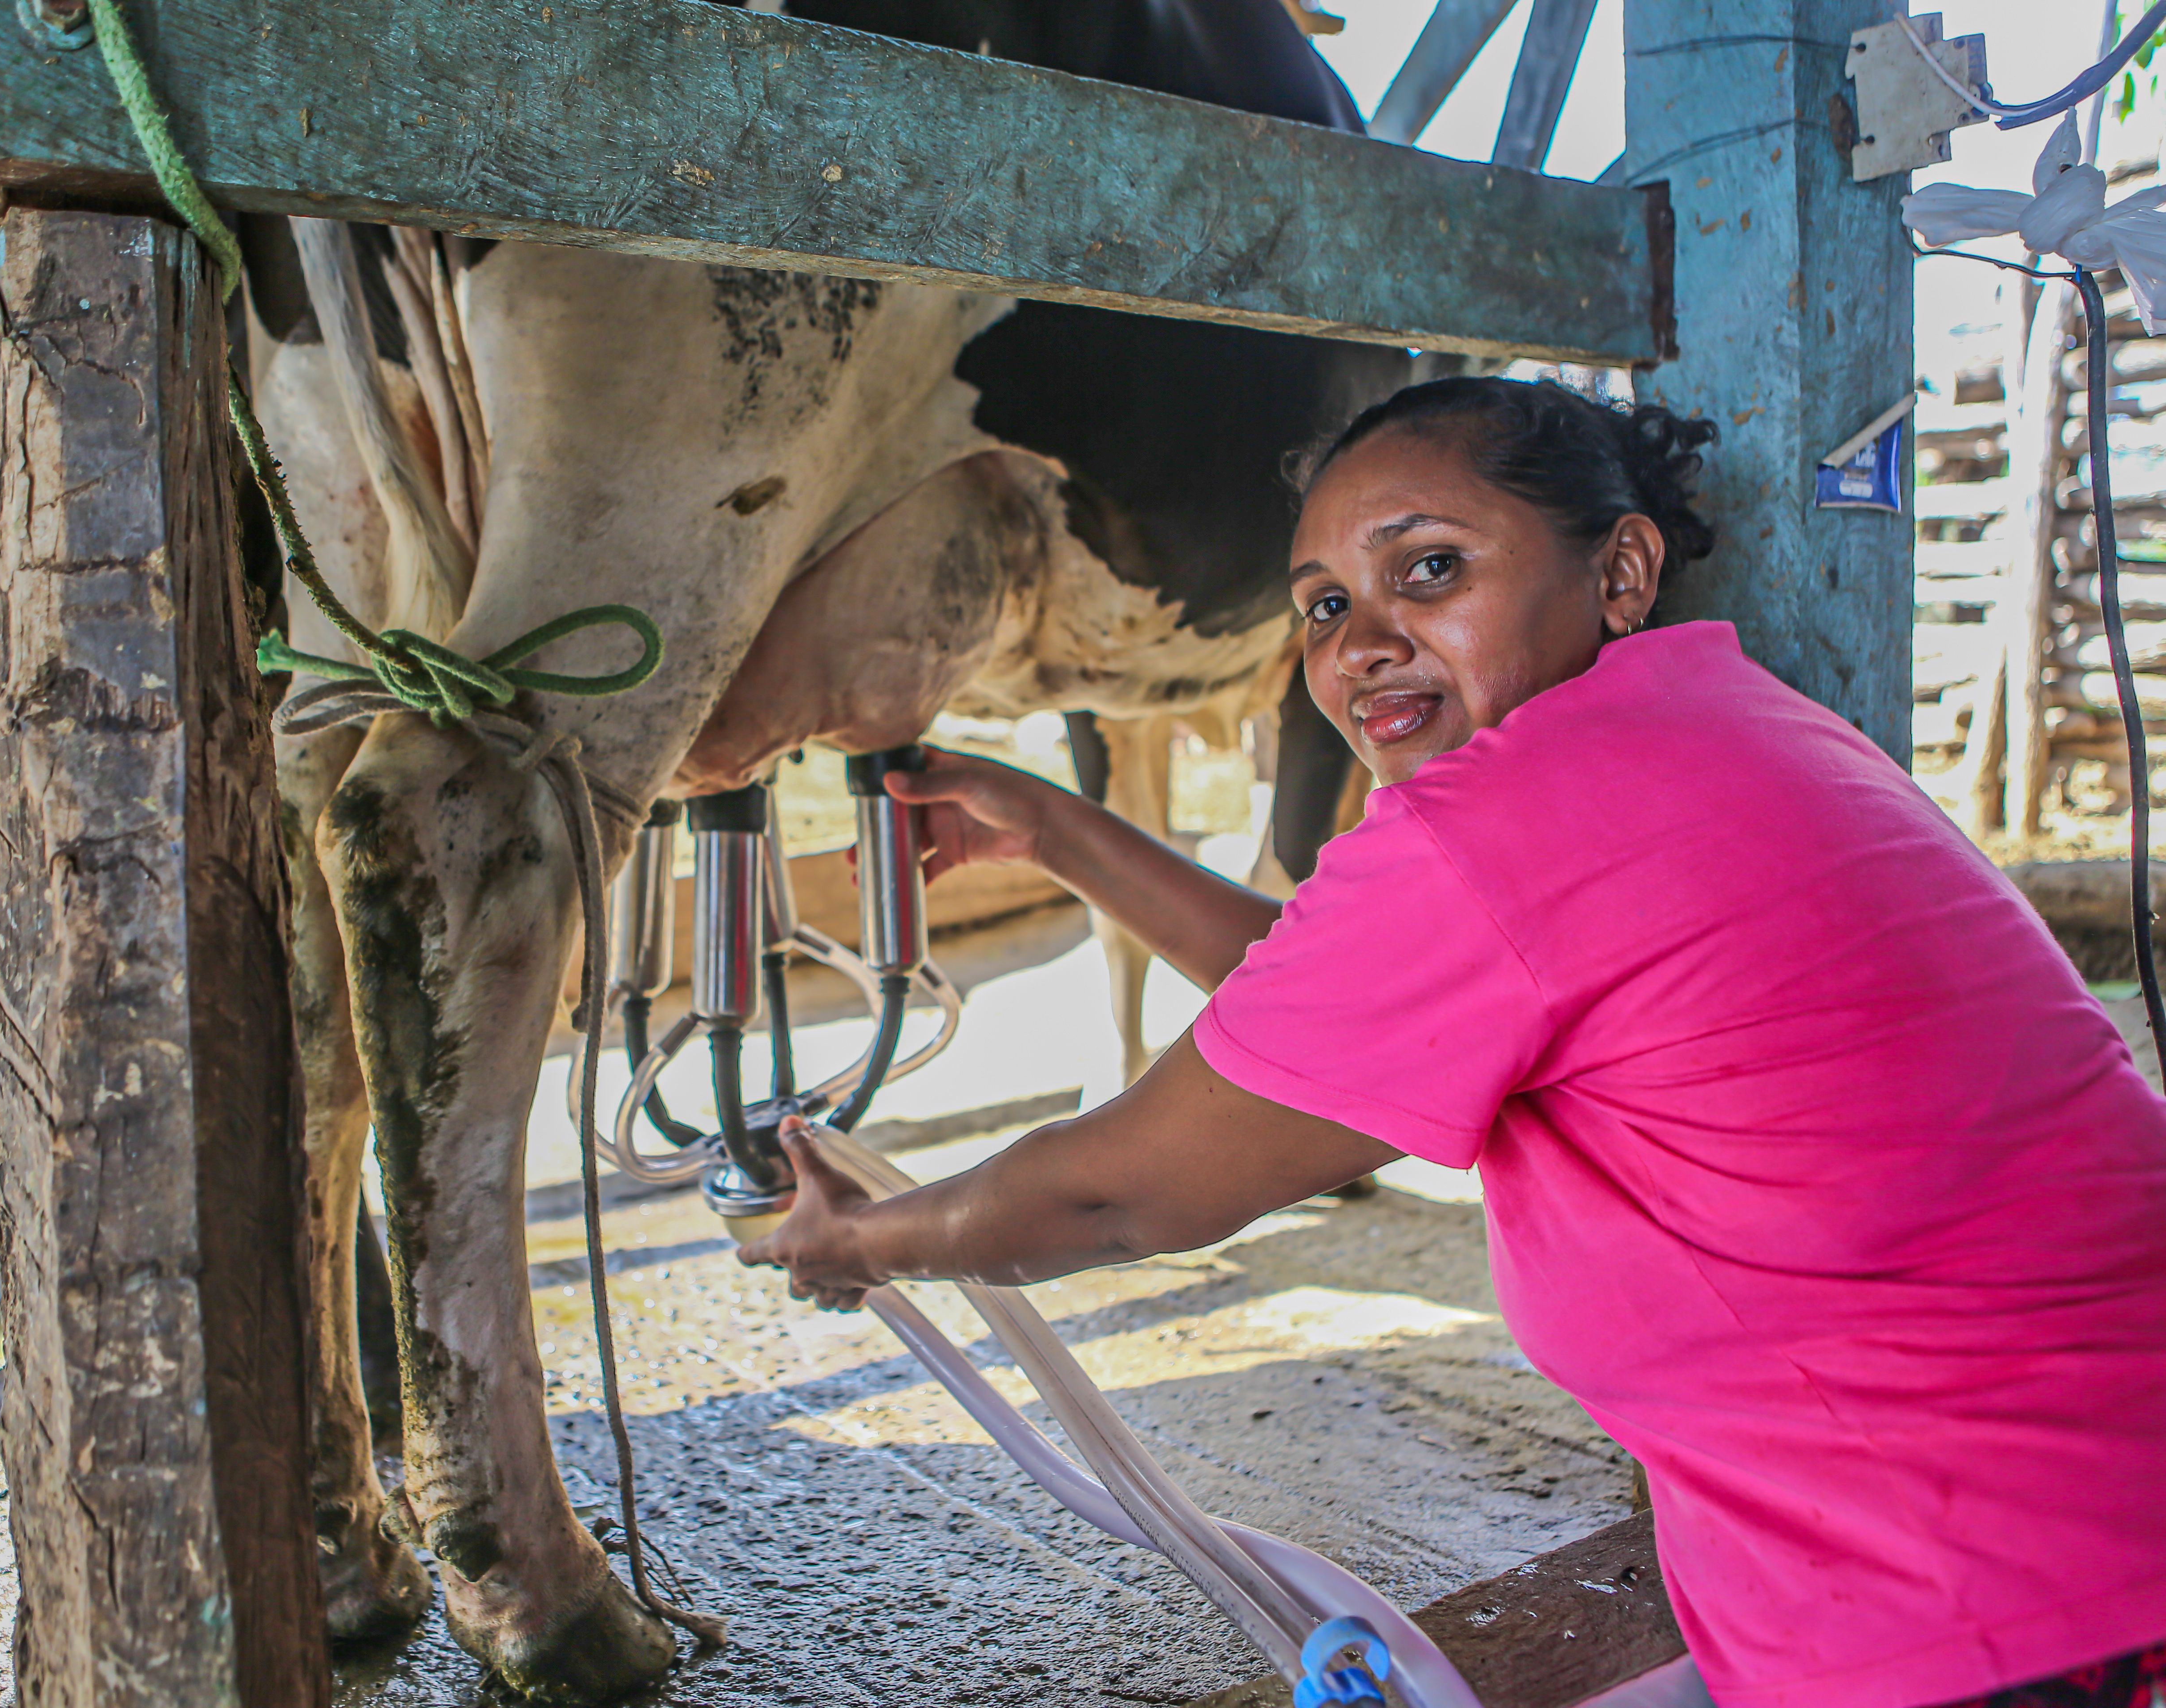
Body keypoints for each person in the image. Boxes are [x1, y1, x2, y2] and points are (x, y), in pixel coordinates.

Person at [739, 378, 2166, 1708]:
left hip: (2007, 1612)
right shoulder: (1731, 723)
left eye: (1430, 570)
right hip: (2078, 1531)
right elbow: (1338, 1020)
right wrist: (1059, 830)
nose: (1361, 643)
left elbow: (1124, 1190)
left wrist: (856, 1246)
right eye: (1319, 606)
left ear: (1618, 571)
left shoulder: (1503, 826)